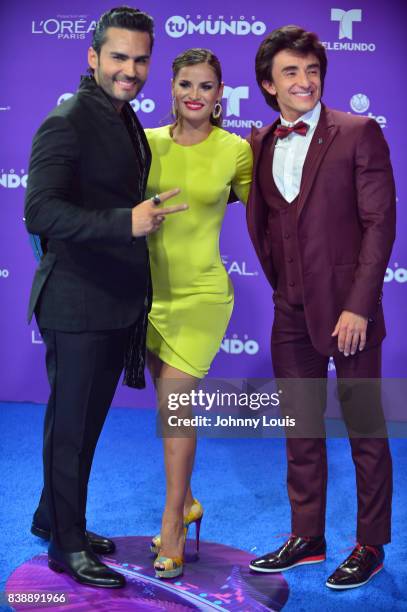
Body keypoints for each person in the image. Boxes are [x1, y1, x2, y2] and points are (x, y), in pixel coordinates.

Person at [24, 6, 187, 588]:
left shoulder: (122, 116)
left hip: (112, 299)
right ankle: (66, 546)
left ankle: (54, 516)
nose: (131, 69)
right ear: (92, 56)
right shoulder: (67, 120)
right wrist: (126, 223)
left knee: (85, 423)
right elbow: (38, 210)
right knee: (70, 426)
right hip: (76, 301)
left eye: (141, 59)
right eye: (119, 57)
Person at [247, 26, 395, 589]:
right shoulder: (261, 141)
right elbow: (265, 224)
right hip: (291, 310)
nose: (304, 81)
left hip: (349, 312)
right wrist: (284, 286)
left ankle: (370, 544)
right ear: (268, 83)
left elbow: (380, 225)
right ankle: (307, 536)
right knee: (301, 427)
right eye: (291, 72)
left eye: (311, 71)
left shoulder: (359, 133)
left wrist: (359, 306)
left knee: (364, 427)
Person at [144, 48, 253, 579]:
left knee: (175, 404)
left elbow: (271, 217)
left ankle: (172, 526)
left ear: (219, 94)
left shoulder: (236, 150)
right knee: (168, 412)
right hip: (148, 296)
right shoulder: (145, 142)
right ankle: (187, 499)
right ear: (171, 87)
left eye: (206, 86)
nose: (195, 94)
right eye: (186, 83)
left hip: (203, 296)